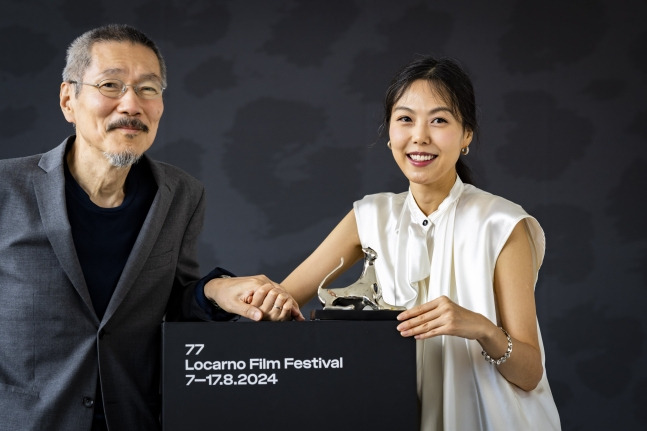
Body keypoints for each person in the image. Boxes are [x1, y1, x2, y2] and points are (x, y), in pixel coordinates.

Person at [0, 24, 301, 431]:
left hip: (135, 418)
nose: (131, 104)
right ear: (68, 99)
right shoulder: (7, 188)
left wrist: (217, 291)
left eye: (148, 89)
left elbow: (175, 305)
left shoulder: (181, 194)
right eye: (111, 85)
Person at [280, 56, 561, 430]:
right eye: (406, 119)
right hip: (393, 412)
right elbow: (282, 299)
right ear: (390, 131)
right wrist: (222, 289)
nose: (420, 137)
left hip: (492, 419)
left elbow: (529, 373)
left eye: (439, 120)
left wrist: (481, 328)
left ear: (467, 135)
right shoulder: (370, 216)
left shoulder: (502, 223)